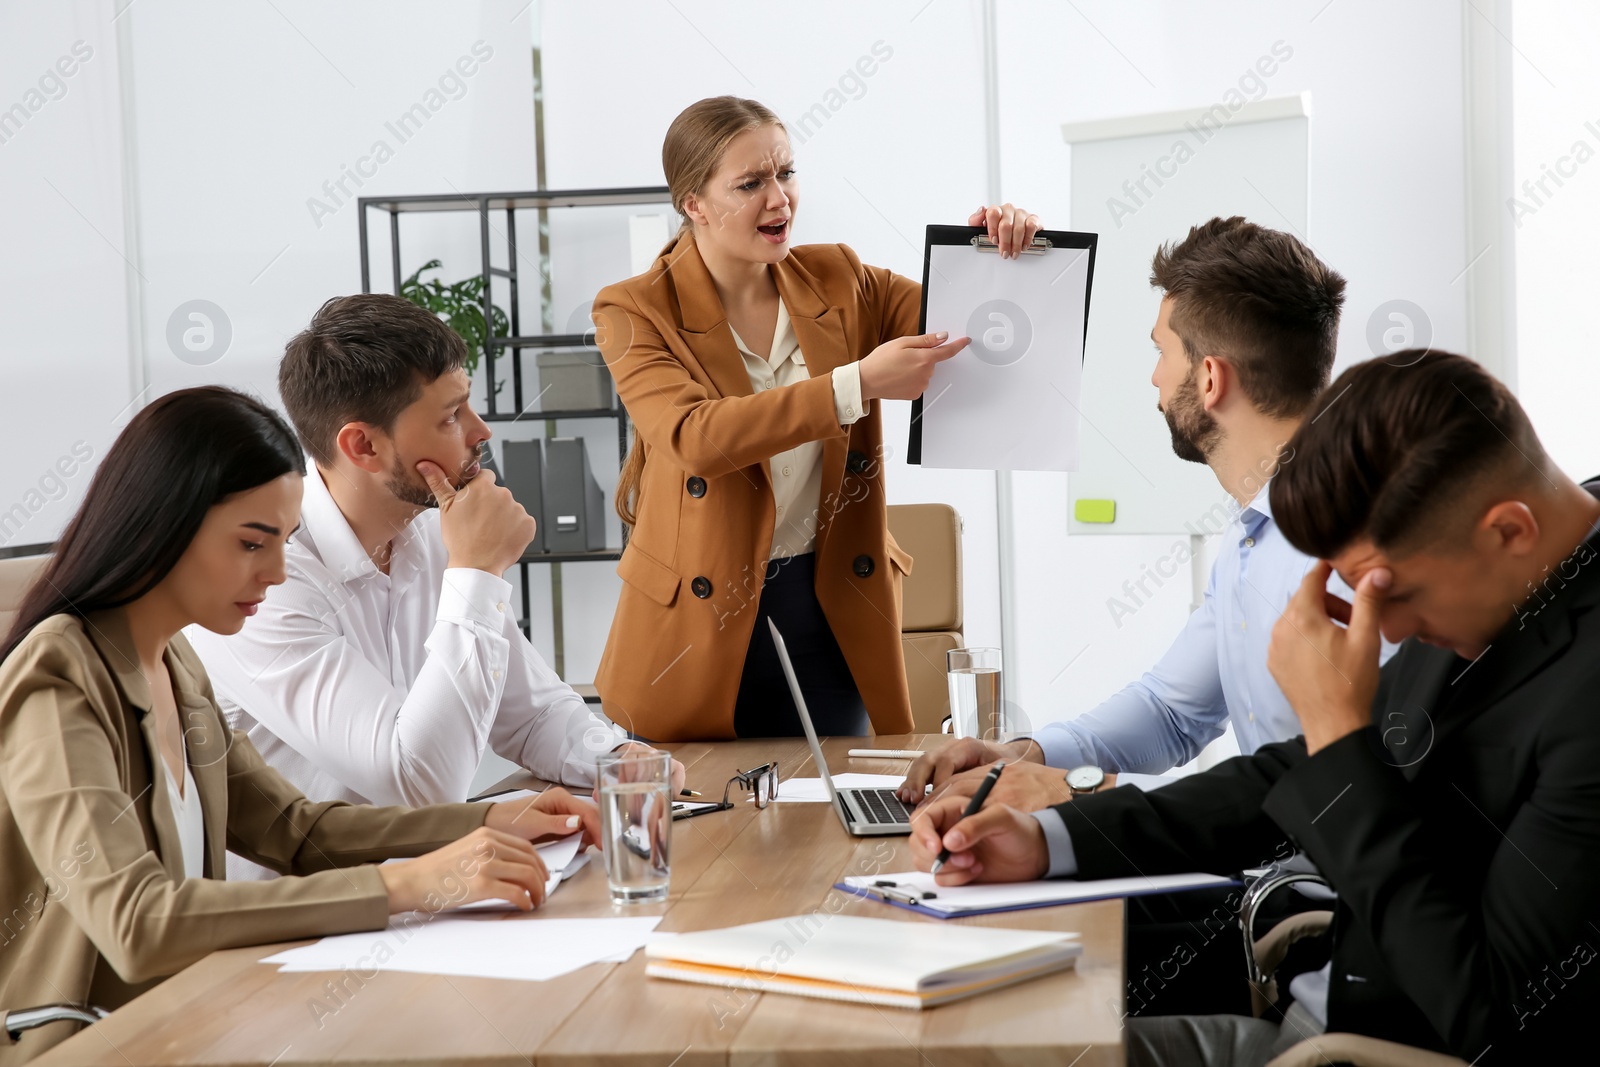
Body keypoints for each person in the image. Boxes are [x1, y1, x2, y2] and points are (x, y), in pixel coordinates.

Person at [909, 351, 1600, 1065]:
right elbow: (1278, 781)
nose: (1387, 630)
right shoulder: (1487, 586)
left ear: (1509, 531)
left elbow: (1492, 1010)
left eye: (1390, 592)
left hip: (1363, 1051)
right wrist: (1049, 837)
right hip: (1305, 1017)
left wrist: (1338, 734)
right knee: (958, 1045)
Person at [0, 387, 603, 1065]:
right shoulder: (59, 676)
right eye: (252, 542)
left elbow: (296, 830)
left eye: (284, 541)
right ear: (160, 525)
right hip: (96, 1040)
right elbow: (139, 921)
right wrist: (406, 884)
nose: (277, 572)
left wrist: (486, 823)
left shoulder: (175, 662)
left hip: (196, 1020)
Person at [590, 94, 1042, 741]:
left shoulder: (840, 277)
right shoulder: (632, 310)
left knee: (844, 823)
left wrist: (997, 254)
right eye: (751, 183)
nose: (780, 199)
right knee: (703, 832)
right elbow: (696, 436)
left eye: (786, 173)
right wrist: (854, 385)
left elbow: (974, 332)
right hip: (696, 628)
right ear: (694, 204)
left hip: (828, 605)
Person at [184, 295, 679, 881]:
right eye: (450, 417)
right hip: (305, 930)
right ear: (362, 446)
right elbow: (417, 784)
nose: (481, 431)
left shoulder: (432, 535)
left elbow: (528, 713)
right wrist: (476, 573)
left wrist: (617, 759)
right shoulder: (269, 580)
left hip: (432, 894)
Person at [898, 217, 1359, 812]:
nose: (1156, 378)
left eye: (1162, 352)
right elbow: (1171, 711)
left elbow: (1322, 801)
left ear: (1211, 377)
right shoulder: (1254, 534)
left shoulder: (1341, 553)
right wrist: (1025, 756)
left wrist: (1076, 790)